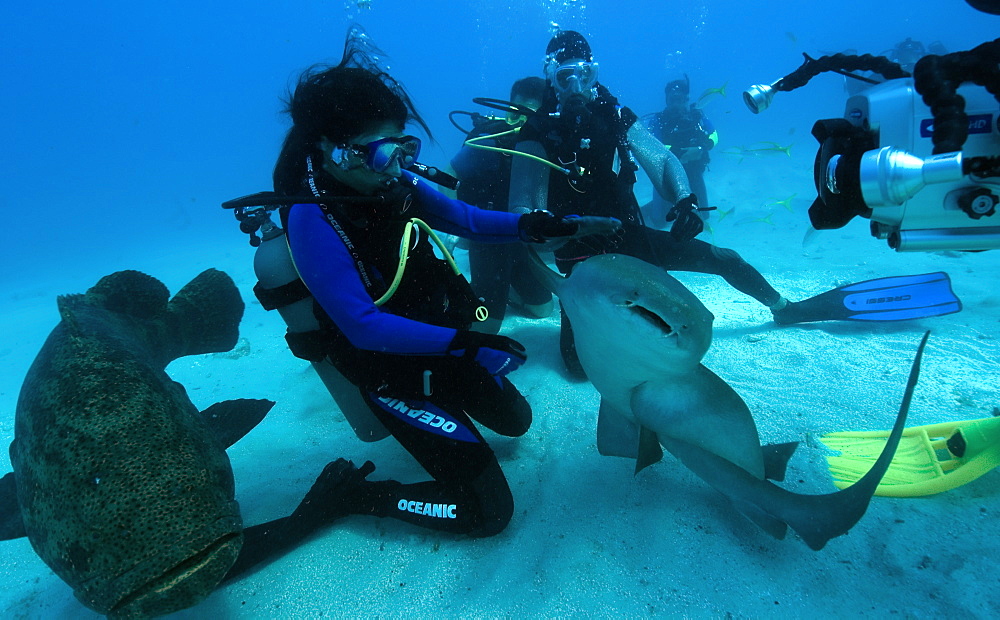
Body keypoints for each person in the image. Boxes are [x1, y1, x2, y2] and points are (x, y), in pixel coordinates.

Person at [228, 30, 619, 569]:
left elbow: (470, 219)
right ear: (325, 147)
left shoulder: (392, 181)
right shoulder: (311, 216)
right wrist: (470, 347)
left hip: (438, 345)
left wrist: (543, 224)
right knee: (488, 513)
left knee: (517, 421)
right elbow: (363, 326)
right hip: (390, 370)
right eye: (372, 151)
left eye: (399, 146)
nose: (391, 164)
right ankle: (358, 496)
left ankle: (446, 410)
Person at [507, 31, 804, 374]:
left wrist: (684, 199)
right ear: (551, 78)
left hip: (628, 237)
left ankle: (783, 306)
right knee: (577, 366)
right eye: (565, 77)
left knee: (723, 258)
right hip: (578, 258)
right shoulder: (538, 130)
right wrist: (539, 226)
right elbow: (523, 204)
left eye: (584, 75)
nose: (576, 86)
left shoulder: (615, 115)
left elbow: (661, 160)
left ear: (594, 72)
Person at [451, 76, 552, 333]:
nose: (522, 122)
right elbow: (446, 176)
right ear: (508, 109)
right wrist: (458, 226)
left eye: (531, 114)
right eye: (516, 113)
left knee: (544, 310)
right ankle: (470, 296)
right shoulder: (490, 142)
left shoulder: (550, 144)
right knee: (486, 328)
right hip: (488, 238)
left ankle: (508, 292)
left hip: (520, 240)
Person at [641, 74, 718, 222]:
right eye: (672, 100)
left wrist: (702, 148)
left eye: (680, 100)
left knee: (703, 217)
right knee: (659, 221)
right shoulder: (658, 120)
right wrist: (679, 152)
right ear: (666, 100)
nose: (676, 105)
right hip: (666, 176)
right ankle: (649, 209)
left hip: (694, 172)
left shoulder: (697, 116)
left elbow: (714, 134)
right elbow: (652, 144)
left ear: (687, 99)